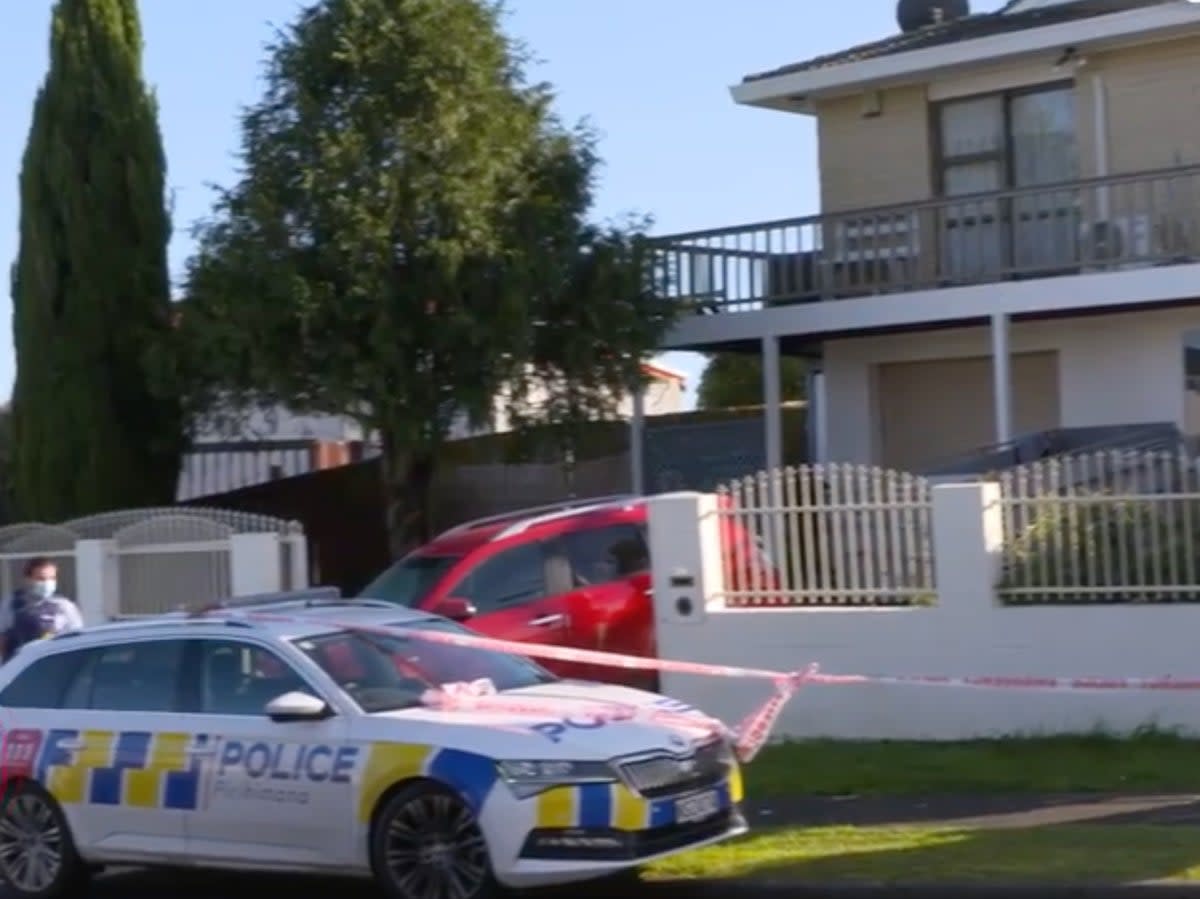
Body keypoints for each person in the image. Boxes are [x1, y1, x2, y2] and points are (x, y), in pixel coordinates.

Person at [0, 557, 84, 663]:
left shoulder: (64, 606)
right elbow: (2, 638)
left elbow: (77, 639)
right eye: (41, 579)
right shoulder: (12, 603)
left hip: (55, 665)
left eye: (52, 578)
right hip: (20, 667)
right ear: (28, 579)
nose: (47, 583)